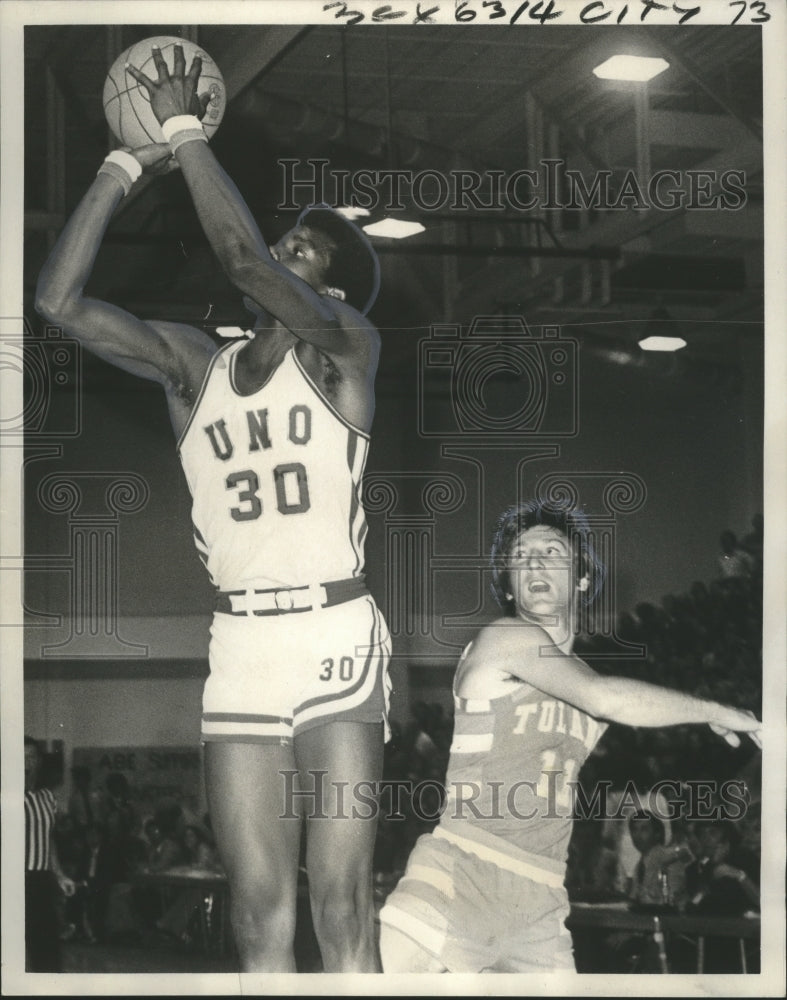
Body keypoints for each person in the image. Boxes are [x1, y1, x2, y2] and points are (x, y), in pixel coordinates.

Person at [35, 44, 390, 973]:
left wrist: (185, 127)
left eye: (300, 251)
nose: (276, 252)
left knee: (342, 911)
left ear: (331, 288)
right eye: (284, 241)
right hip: (238, 648)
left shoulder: (346, 348)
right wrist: (122, 163)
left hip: (333, 634)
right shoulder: (198, 365)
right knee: (254, 919)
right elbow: (57, 301)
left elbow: (236, 253)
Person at [378, 500, 762, 974]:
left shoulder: (579, 675)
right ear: (510, 585)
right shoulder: (505, 639)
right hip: (461, 877)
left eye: (551, 550)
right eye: (521, 555)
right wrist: (713, 710)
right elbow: (606, 699)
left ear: (581, 578)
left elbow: (623, 708)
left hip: (541, 901)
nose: (534, 561)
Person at [24, 736, 76, 971]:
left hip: (40, 880)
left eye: (31, 757)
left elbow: (48, 839)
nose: (26, 762)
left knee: (46, 950)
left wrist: (60, 875)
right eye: (21, 757)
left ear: (39, 762)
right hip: (9, 881)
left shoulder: (47, 798)